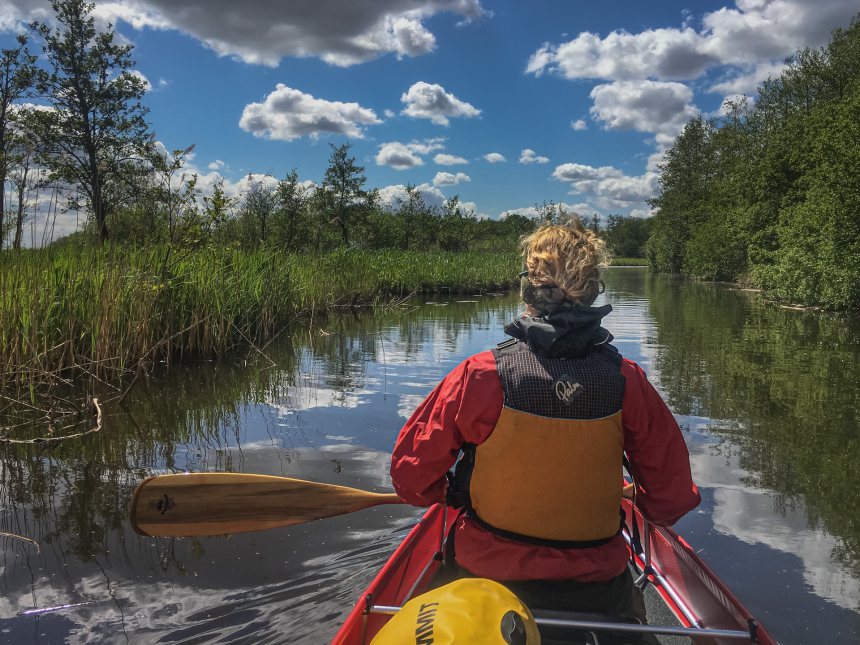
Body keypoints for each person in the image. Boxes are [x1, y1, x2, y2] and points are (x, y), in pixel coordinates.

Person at [389, 219, 701, 629]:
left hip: (486, 574)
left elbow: (410, 477)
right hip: (598, 584)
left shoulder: (480, 375)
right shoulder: (628, 382)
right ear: (591, 292)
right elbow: (671, 501)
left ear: (526, 289)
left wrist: (451, 492)